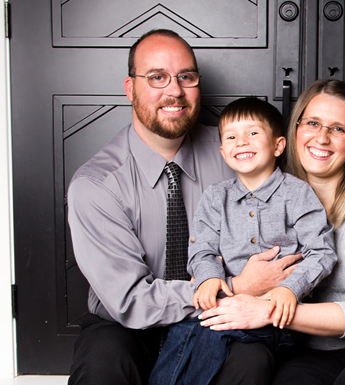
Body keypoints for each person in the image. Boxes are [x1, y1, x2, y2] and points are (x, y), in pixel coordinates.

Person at [66, 29, 301, 385]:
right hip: (128, 326)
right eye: (157, 77)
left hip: (222, 317)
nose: (174, 91)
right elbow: (130, 301)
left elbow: (293, 200)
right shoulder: (97, 185)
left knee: (251, 361)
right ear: (130, 88)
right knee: (102, 365)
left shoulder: (232, 152)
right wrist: (235, 286)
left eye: (186, 77)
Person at [200, 80, 345, 384]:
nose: (321, 138)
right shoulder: (271, 195)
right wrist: (214, 277)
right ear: (294, 131)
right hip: (308, 346)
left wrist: (268, 310)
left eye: (338, 129)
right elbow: (222, 255)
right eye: (312, 123)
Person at [148, 97, 337, 385]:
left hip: (274, 316)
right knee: (184, 335)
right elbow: (202, 248)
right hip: (224, 305)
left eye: (253, 133)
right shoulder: (215, 197)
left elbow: (322, 253)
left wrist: (289, 289)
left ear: (278, 145)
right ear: (223, 152)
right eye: (232, 137)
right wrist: (209, 277)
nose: (242, 142)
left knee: (209, 334)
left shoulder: (298, 194)